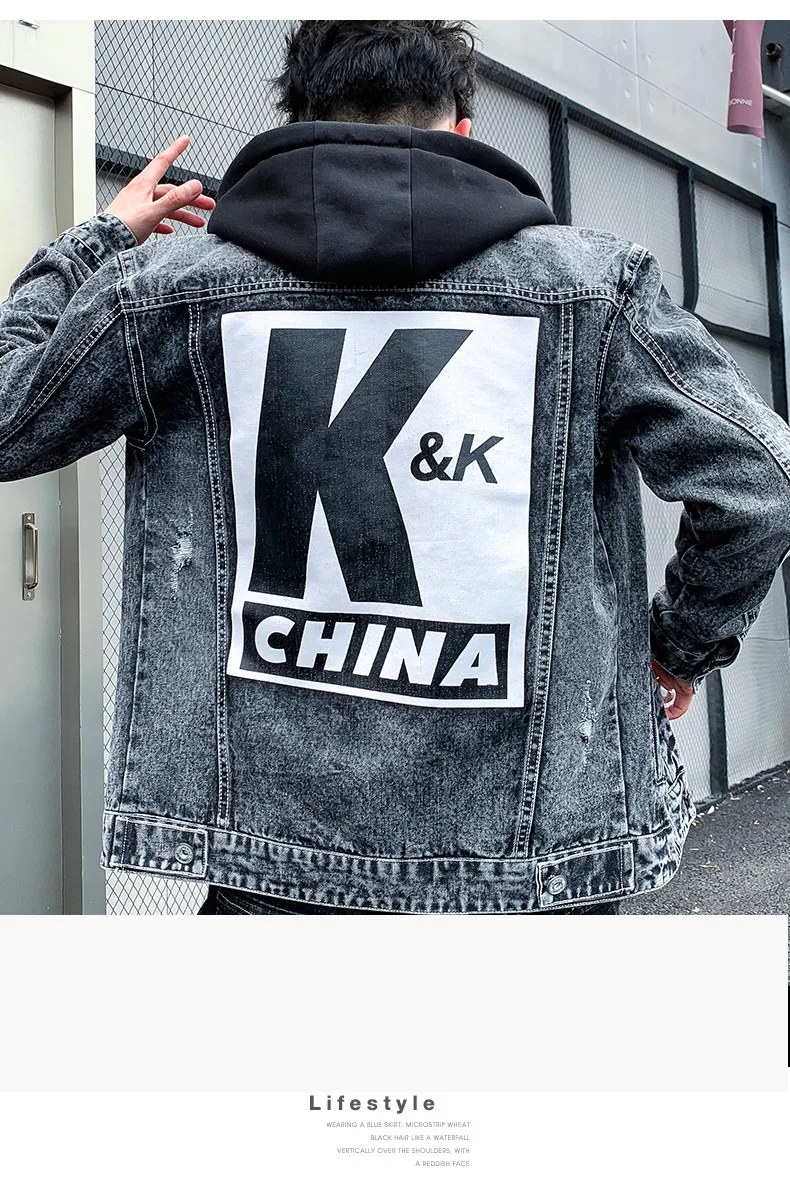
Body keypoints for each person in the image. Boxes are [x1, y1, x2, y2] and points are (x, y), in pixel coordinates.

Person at [2, 21, 789, 917]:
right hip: (531, 868)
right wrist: (677, 647)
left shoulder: (169, 291)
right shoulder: (594, 289)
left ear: (300, 124)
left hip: (274, 861)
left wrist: (100, 238)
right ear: (462, 131)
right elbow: (760, 488)